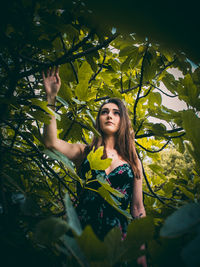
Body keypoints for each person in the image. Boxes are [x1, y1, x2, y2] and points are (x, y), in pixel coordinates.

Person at [42, 67, 147, 266]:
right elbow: (50, 142)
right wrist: (51, 97)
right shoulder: (84, 152)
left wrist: (141, 254)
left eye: (116, 113)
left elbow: (138, 208)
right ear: (98, 120)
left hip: (116, 240)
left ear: (122, 120)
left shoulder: (133, 161)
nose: (110, 115)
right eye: (105, 112)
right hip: (81, 234)